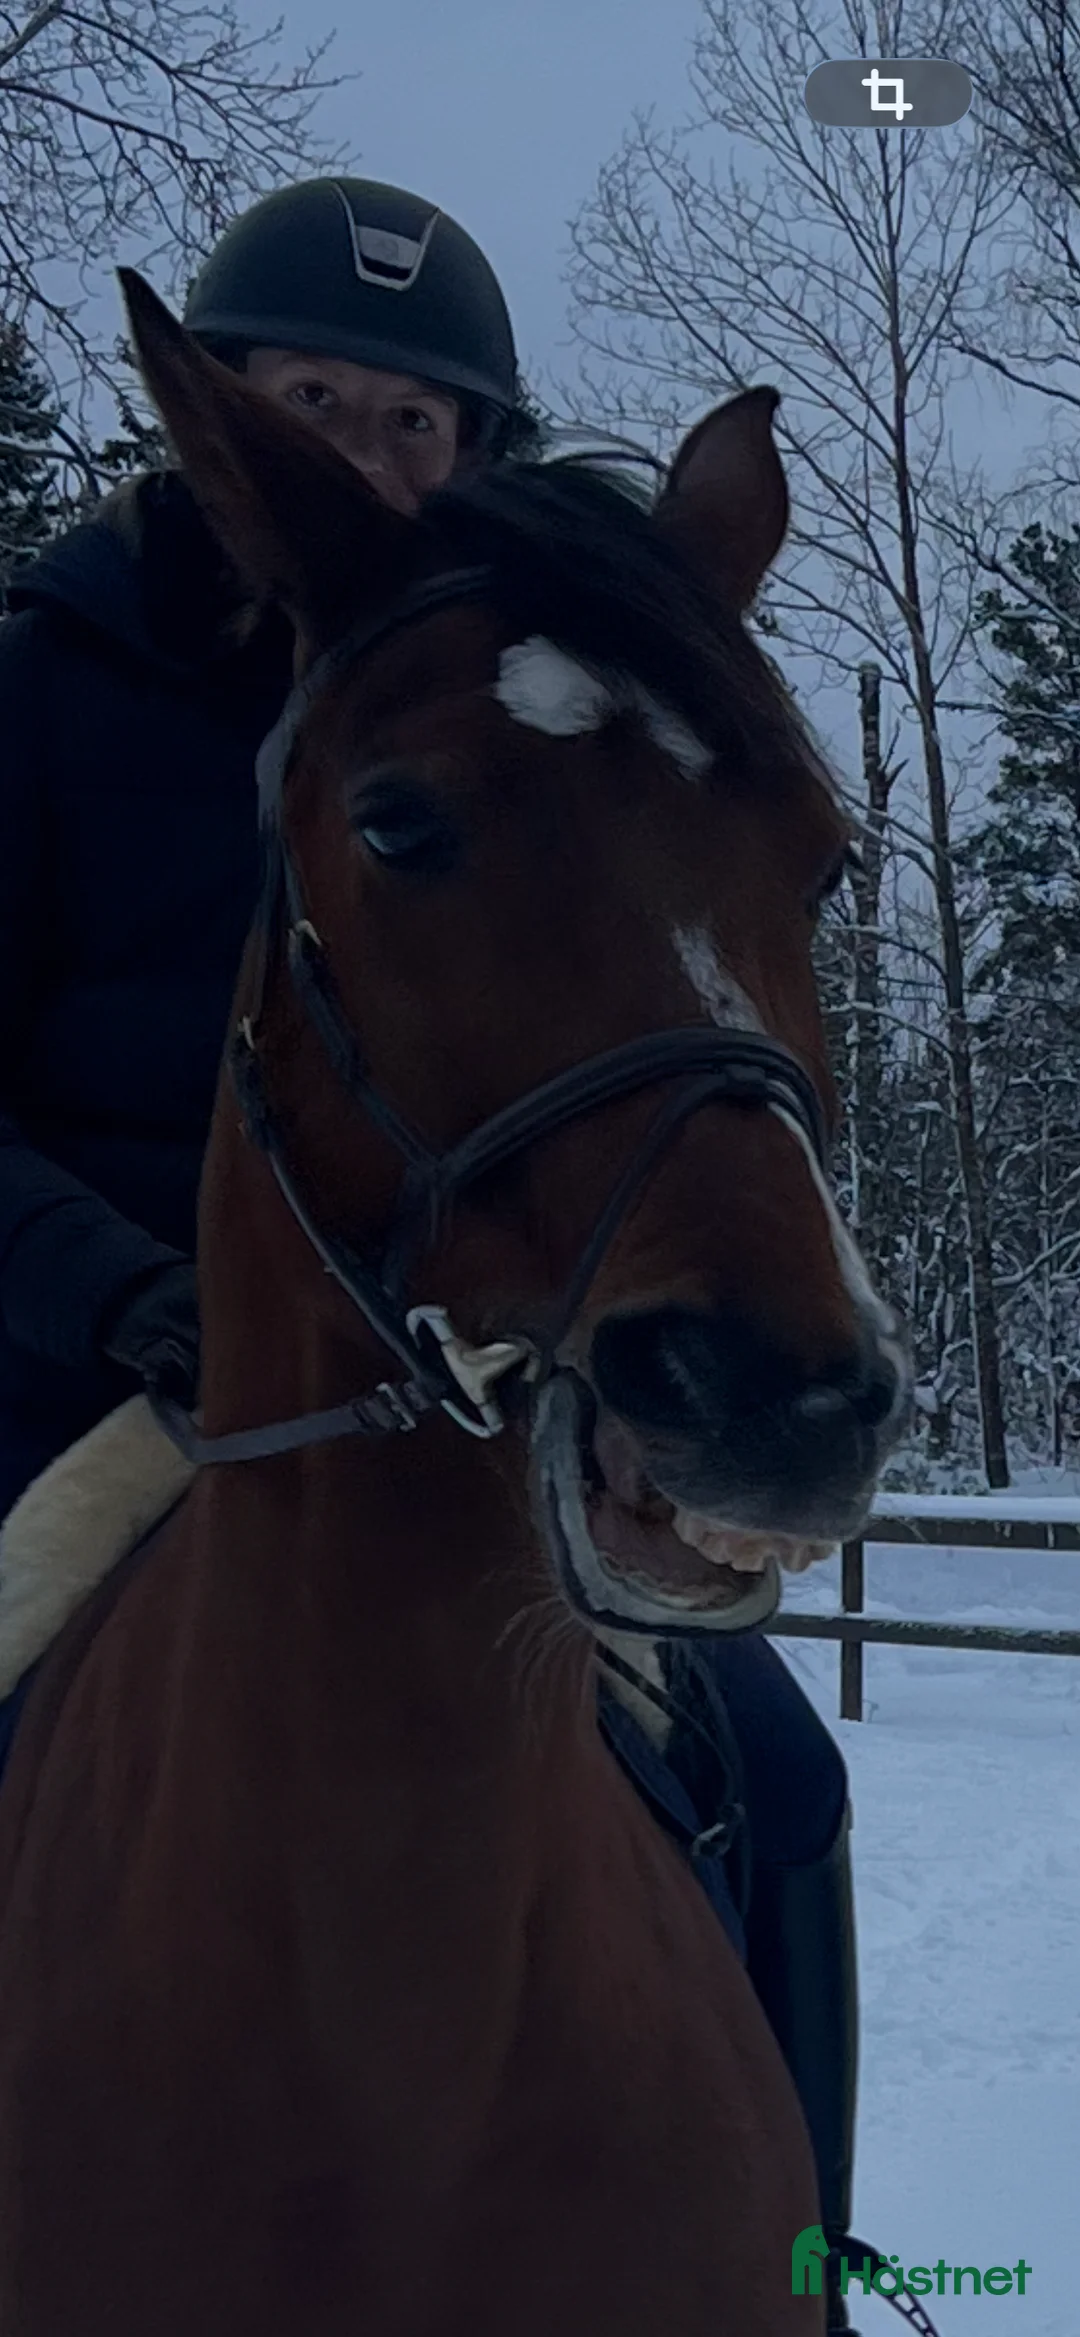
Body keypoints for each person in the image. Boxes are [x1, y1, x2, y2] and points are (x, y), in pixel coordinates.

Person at [0, 176, 861, 2332]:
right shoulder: (42, 689)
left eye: (422, 427)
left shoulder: (509, 714)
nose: (377, 464)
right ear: (228, 425)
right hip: (79, 1365)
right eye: (324, 405)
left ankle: (804, 2268)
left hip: (441, 1384)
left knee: (769, 1762)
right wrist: (115, 1285)